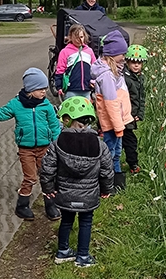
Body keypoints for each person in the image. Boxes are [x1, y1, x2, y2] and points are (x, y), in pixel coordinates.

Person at [40, 97, 113, 267]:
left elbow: (47, 168)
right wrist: (106, 189)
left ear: (67, 119)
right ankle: (83, 256)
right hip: (89, 194)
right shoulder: (99, 144)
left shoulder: (58, 143)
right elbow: (106, 169)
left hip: (65, 194)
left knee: (66, 220)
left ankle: (63, 252)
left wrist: (48, 188)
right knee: (86, 222)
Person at [0, 68, 62, 221]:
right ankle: (22, 205)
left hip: (45, 148)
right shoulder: (16, 104)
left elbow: (54, 125)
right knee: (30, 177)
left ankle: (50, 204)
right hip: (26, 149)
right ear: (30, 89)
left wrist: (56, 144)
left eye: (45, 88)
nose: (44, 92)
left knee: (47, 176)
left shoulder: (46, 105)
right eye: (40, 89)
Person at [90, 29, 133, 190]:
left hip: (117, 121)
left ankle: (115, 176)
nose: (124, 57)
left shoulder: (113, 71)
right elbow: (111, 103)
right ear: (112, 54)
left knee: (115, 151)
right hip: (113, 123)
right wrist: (118, 127)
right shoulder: (107, 76)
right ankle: (108, 182)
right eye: (122, 53)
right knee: (110, 152)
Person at [122, 44, 148, 174]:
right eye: (133, 62)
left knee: (125, 140)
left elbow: (141, 97)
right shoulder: (124, 78)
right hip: (124, 116)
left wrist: (140, 113)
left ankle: (124, 161)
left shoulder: (140, 78)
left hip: (132, 116)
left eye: (139, 62)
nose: (136, 65)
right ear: (127, 62)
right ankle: (133, 164)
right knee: (130, 141)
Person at [55, 24, 96, 99]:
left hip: (86, 89)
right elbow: (60, 70)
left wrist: (93, 81)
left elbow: (95, 68)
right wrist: (59, 86)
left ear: (84, 36)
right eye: (76, 37)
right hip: (71, 89)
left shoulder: (89, 51)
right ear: (70, 37)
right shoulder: (65, 52)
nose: (79, 40)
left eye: (81, 37)